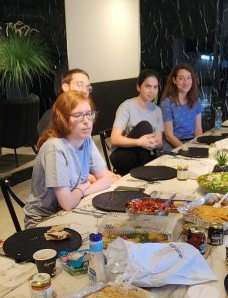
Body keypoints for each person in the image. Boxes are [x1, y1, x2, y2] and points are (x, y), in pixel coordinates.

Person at [24, 91, 117, 226]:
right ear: (63, 119)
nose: (86, 121)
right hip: (44, 220)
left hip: (72, 209)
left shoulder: (86, 139)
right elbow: (67, 203)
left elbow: (106, 179)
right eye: (78, 115)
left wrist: (81, 191)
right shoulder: (55, 148)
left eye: (89, 114)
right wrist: (81, 189)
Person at [109, 69, 164, 174]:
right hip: (122, 157)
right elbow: (114, 139)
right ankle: (149, 173)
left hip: (143, 157)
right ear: (138, 87)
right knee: (145, 126)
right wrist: (140, 142)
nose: (152, 91)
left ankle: (147, 172)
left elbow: (160, 143)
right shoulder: (126, 106)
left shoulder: (157, 111)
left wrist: (153, 142)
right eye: (148, 86)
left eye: (155, 87)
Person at [37, 68, 92, 135]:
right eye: (79, 85)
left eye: (88, 87)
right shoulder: (51, 118)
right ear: (65, 87)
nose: (84, 91)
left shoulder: (87, 115)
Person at [160, 63, 203, 147]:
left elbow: (198, 129)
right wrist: (185, 149)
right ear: (174, 80)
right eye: (181, 78)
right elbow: (169, 136)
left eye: (189, 78)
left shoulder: (196, 101)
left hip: (192, 142)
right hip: (172, 144)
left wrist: (197, 147)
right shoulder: (167, 103)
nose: (186, 82)